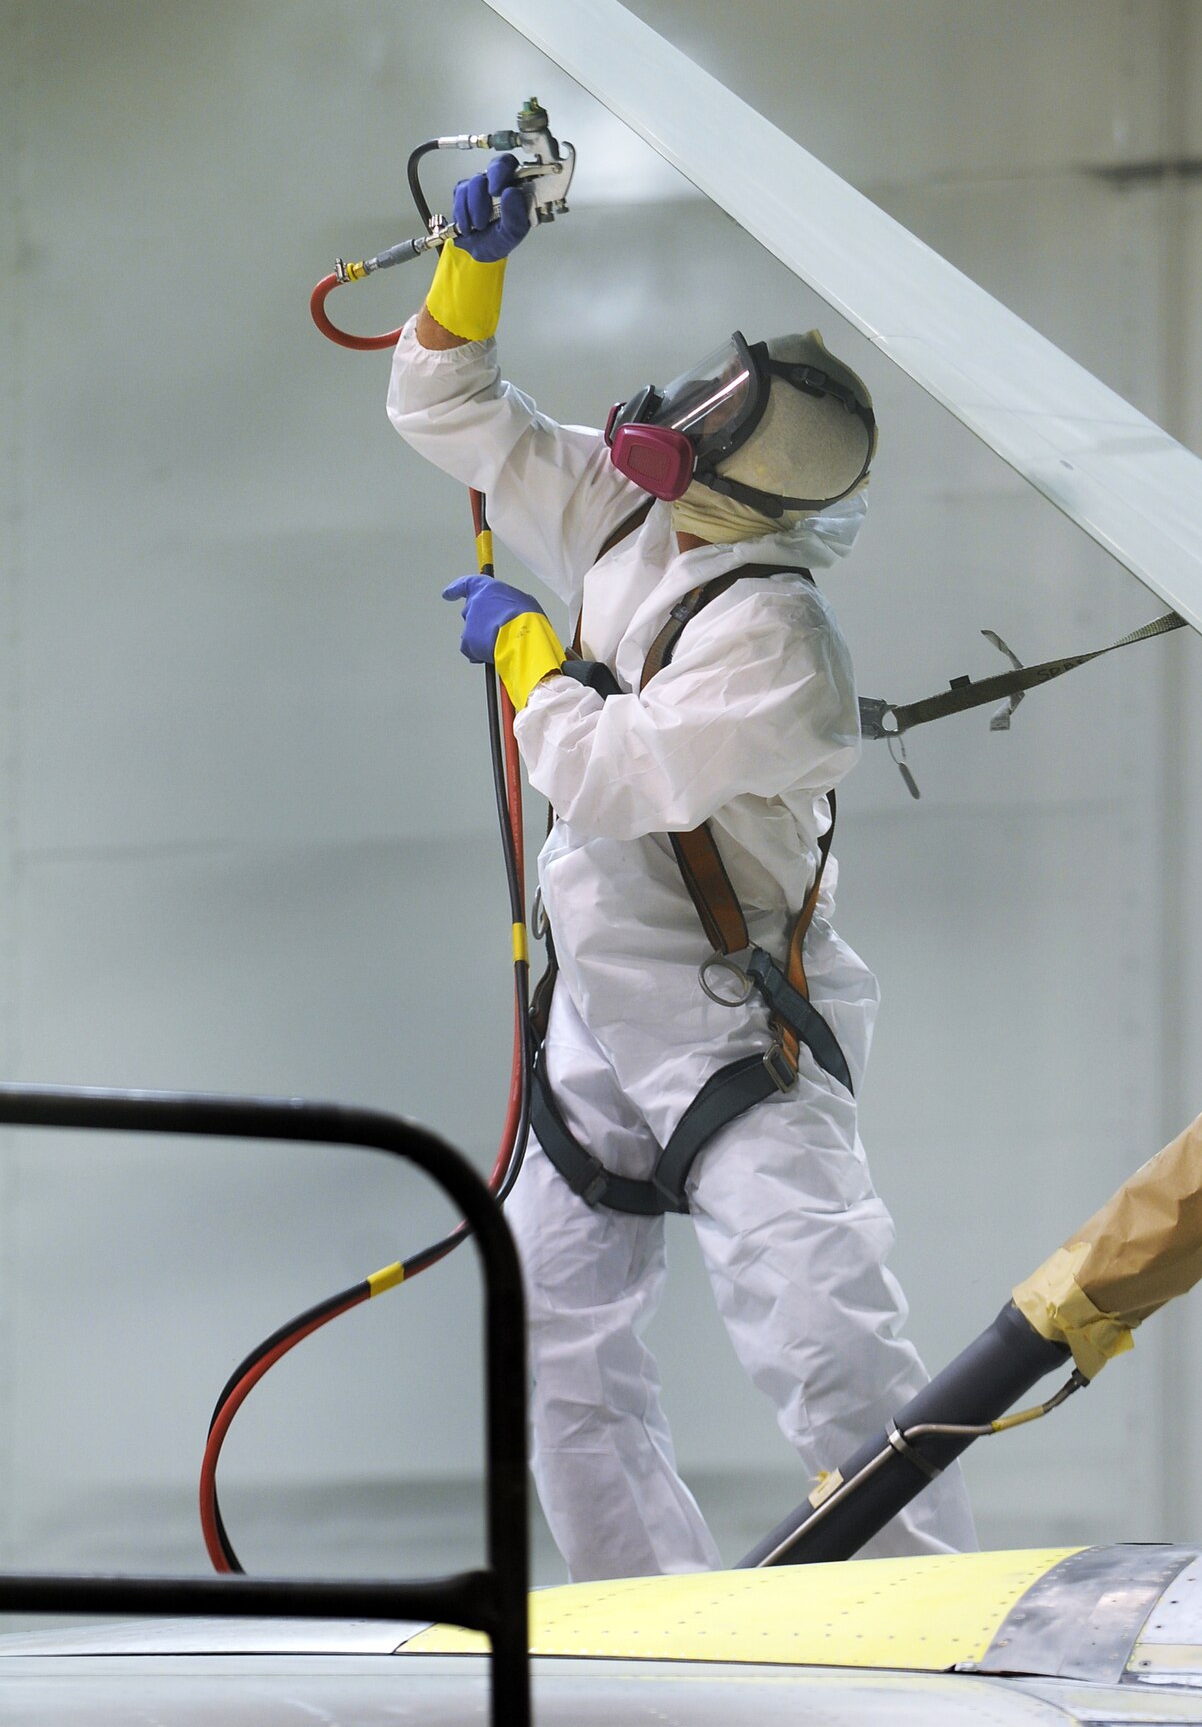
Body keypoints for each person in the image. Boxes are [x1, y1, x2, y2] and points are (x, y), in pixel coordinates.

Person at [387, 153, 976, 1580]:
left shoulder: (780, 641)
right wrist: (473, 278)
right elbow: (449, 412)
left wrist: (531, 651)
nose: (660, 423)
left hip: (733, 1017)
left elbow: (606, 767)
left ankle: (930, 1624)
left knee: (826, 1332)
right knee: (552, 1342)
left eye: (702, 424)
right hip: (599, 1005)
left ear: (740, 490)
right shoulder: (639, 513)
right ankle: (640, 1621)